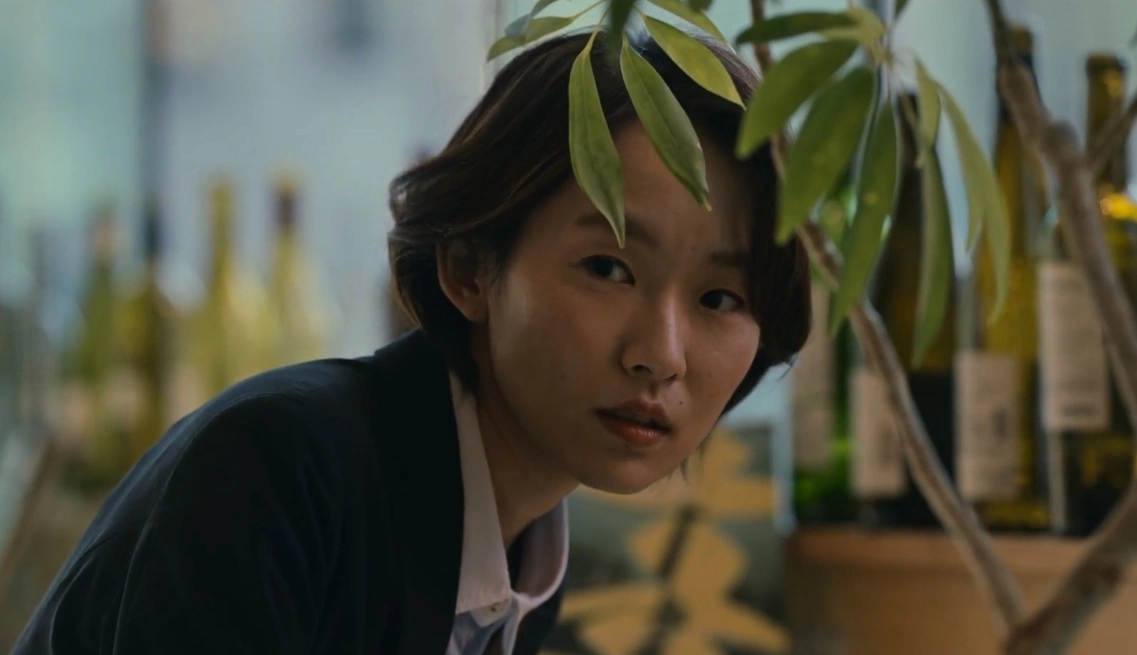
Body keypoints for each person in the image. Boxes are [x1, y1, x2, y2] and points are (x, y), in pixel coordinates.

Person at [12, 27, 810, 655]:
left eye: (719, 297)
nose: (660, 354)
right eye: (608, 268)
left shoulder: (515, 568)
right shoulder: (282, 472)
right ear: (467, 268)